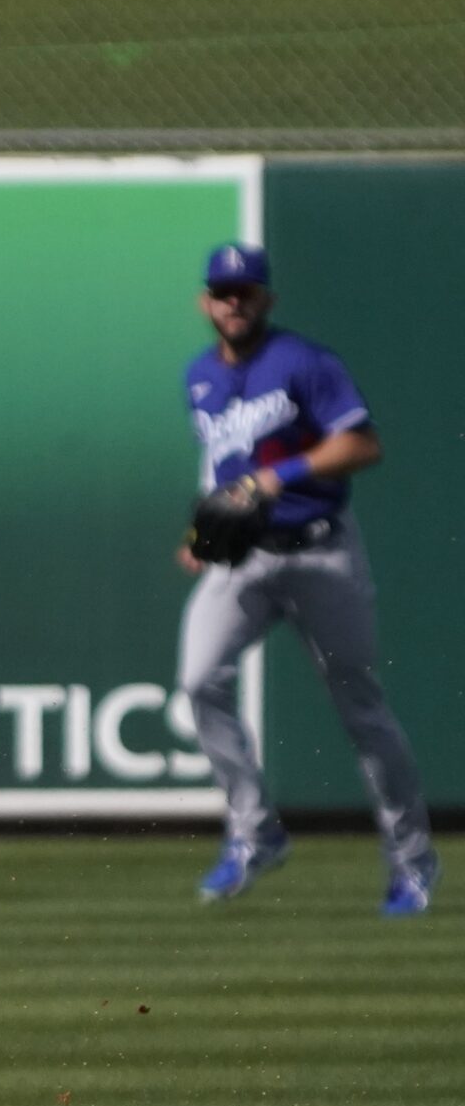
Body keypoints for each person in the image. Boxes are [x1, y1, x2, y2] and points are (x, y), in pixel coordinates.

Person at [179, 242, 439, 917]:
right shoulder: (200, 376)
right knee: (199, 678)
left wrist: (278, 476)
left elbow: (362, 443)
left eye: (246, 291)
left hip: (322, 551)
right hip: (247, 559)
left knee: (360, 706)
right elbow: (218, 471)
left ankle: (412, 862)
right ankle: (255, 830)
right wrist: (198, 538)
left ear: (266, 299)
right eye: (223, 291)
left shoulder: (303, 362)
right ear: (205, 301)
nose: (234, 302)